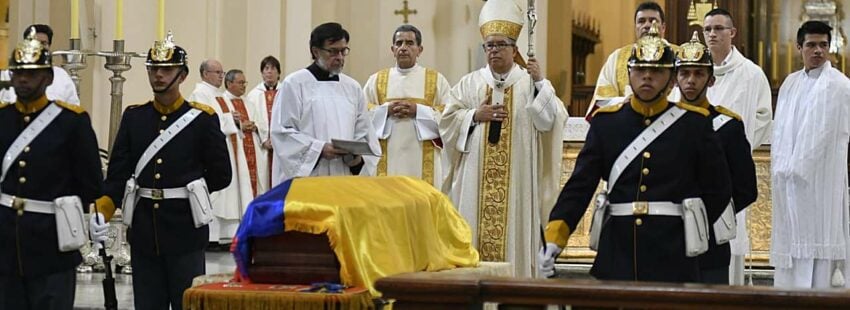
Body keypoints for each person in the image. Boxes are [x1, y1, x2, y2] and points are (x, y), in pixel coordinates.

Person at [538, 23, 731, 282]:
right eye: (640, 69)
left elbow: (718, 189)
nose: (647, 77)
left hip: (673, 255)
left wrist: (690, 227)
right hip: (617, 252)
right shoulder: (607, 124)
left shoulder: (693, 125)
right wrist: (555, 237)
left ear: (671, 79)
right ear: (629, 74)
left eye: (655, 70)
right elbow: (580, 186)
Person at [98, 33, 232, 309]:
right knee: (147, 303)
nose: (158, 75)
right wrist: (102, 210)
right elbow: (118, 174)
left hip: (185, 227)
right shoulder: (135, 117)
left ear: (182, 75)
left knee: (186, 303)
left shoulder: (202, 119)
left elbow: (222, 174)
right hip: (145, 229)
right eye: (153, 69)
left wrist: (192, 190)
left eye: (166, 69)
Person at [438, 0, 568, 278]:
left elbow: (550, 122)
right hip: (474, 183)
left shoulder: (528, 82)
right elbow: (446, 122)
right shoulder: (469, 83)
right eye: (489, 45)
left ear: (515, 49)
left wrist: (541, 83)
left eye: (500, 45)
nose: (494, 50)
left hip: (517, 184)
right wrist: (474, 115)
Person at [0, 27, 103, 310]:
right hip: (7, 244)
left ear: (47, 77)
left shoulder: (71, 123)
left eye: (31, 73)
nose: (22, 79)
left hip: (52, 245)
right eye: (18, 72)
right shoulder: (3, 119)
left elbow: (91, 183)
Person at [771, 21, 850, 289]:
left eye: (823, 45)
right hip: (789, 183)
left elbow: (829, 132)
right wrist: (782, 168)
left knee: (819, 255)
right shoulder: (790, 84)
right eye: (811, 45)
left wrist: (800, 166)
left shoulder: (840, 86)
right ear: (799, 48)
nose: (818, 51)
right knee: (792, 253)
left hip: (821, 181)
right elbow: (780, 131)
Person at [675, 32, 758, 284]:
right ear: (675, 79)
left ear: (711, 80)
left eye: (698, 74)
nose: (691, 81)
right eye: (685, 73)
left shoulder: (728, 126)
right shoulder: (662, 124)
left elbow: (746, 188)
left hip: (710, 241)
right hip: (665, 241)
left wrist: (707, 216)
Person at [702, 9, 773, 284]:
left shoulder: (751, 74)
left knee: (730, 235)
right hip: (695, 171)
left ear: (732, 33)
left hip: (730, 171)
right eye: (708, 29)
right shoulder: (694, 70)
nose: (712, 34)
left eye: (718, 29)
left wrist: (735, 151)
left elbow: (763, 116)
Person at [270, 22, 378, 185]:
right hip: (310, 178)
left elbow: (363, 132)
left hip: (343, 177)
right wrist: (319, 149)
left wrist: (356, 158)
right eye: (333, 51)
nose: (340, 57)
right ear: (315, 51)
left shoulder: (352, 87)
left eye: (343, 51)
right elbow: (282, 132)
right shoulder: (295, 83)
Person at [363, 24, 452, 189]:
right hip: (387, 158)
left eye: (410, 43)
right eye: (399, 43)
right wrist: (385, 110)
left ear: (420, 49)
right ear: (392, 49)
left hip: (423, 159)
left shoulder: (436, 80)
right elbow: (361, 115)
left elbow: (450, 117)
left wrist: (418, 111)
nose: (403, 48)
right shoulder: (377, 80)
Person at [587, 1, 679, 117]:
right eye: (641, 21)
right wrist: (625, 102)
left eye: (653, 21)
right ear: (635, 27)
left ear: (663, 27)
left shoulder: (679, 55)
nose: (647, 25)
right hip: (627, 121)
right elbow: (602, 99)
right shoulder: (617, 57)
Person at [0, 24, 80, 105]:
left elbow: (73, 105)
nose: (39, 47)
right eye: (35, 42)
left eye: (43, 43)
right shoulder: (8, 74)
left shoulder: (61, 76)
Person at [245, 56, 280, 189]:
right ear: (262, 73)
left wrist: (278, 140)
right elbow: (252, 120)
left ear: (278, 72)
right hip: (262, 145)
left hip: (281, 146)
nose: (269, 72)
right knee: (264, 182)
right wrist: (264, 139)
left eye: (273, 68)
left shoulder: (285, 91)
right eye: (266, 68)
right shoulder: (254, 95)